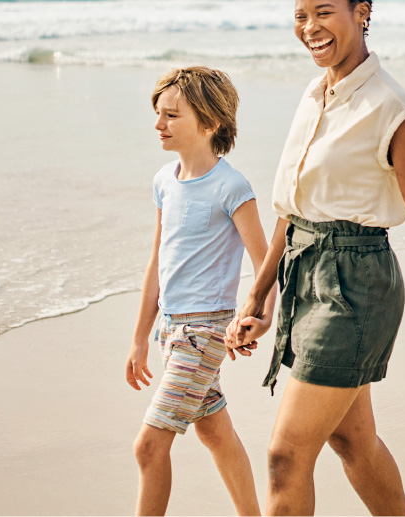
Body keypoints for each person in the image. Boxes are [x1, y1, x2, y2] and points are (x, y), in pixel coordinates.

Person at [225, 0, 405, 516]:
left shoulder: (392, 108)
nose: (309, 27)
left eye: (323, 12)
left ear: (361, 13)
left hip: (356, 286)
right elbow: (290, 209)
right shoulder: (314, 95)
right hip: (305, 274)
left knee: (285, 454)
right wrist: (258, 296)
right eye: (299, 15)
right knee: (351, 440)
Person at [125, 66, 272, 516]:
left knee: (148, 447)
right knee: (214, 432)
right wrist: (139, 339)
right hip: (170, 331)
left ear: (209, 123)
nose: (158, 124)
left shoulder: (231, 186)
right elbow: (157, 263)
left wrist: (260, 318)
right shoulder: (164, 182)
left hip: (205, 333)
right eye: (157, 113)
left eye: (171, 115)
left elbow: (266, 261)